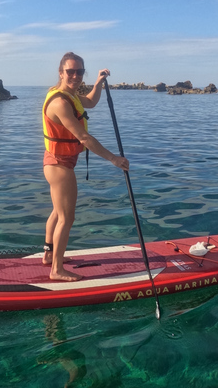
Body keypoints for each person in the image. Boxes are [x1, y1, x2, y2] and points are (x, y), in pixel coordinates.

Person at [42, 52, 130, 281]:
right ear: (61, 72)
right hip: (59, 165)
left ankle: (49, 256)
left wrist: (99, 82)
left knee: (57, 211)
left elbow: (90, 101)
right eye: (70, 71)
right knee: (66, 218)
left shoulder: (72, 95)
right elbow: (83, 138)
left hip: (58, 162)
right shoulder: (60, 102)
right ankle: (57, 270)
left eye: (79, 71)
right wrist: (114, 159)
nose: (75, 75)